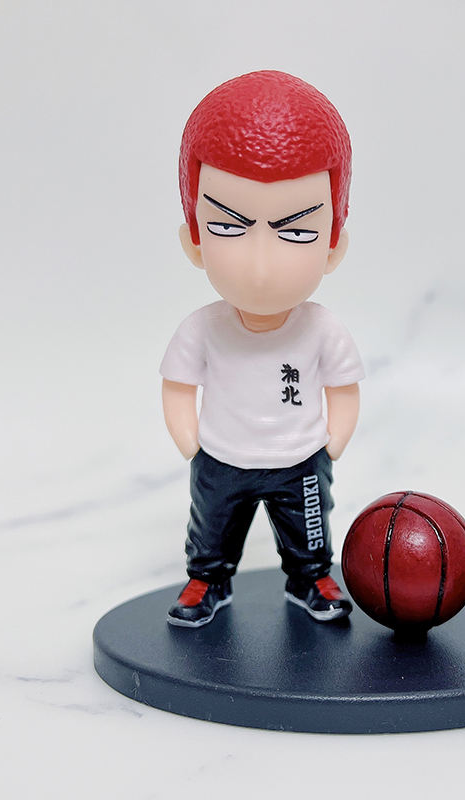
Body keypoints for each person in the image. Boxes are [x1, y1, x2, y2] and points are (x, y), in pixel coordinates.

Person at [160, 71, 364, 627]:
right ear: (194, 239)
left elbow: (343, 387)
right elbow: (178, 385)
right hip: (221, 457)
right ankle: (206, 581)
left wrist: (333, 441)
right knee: (211, 528)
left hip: (300, 458)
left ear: (333, 245)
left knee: (309, 527)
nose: (261, 263)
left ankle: (311, 578)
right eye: (230, 227)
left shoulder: (321, 329)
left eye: (295, 232)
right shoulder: (203, 328)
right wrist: (191, 441)